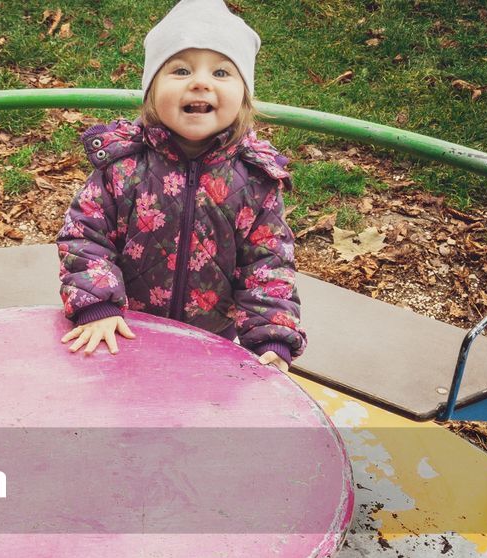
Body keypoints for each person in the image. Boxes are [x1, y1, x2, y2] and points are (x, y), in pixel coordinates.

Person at [57, 0, 304, 370]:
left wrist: (270, 335)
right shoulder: (123, 166)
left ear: (244, 96)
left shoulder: (255, 181)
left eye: (221, 72)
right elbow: (84, 235)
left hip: (210, 344)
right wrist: (98, 304)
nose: (200, 82)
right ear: (152, 89)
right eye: (181, 69)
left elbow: (267, 265)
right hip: (123, 333)